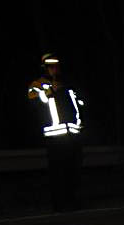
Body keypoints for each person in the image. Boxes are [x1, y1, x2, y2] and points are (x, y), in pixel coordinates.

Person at [28, 53, 85, 211]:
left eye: (57, 66)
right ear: (44, 68)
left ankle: (73, 201)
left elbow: (80, 104)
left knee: (73, 170)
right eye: (51, 66)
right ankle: (59, 204)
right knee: (58, 172)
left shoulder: (68, 84)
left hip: (73, 135)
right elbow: (34, 103)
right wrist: (52, 90)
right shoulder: (38, 85)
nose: (55, 69)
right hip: (55, 136)